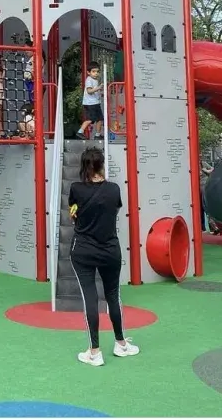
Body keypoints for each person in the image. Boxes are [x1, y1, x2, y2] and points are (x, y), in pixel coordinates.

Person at [68, 147, 139, 366]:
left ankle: (94, 351)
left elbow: (74, 213)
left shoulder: (75, 188)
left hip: (83, 250)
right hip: (110, 250)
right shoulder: (114, 189)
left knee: (90, 298)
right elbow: (113, 211)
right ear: (101, 165)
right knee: (112, 296)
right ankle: (121, 344)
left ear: (84, 166)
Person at [77, 62, 104, 140]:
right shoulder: (89, 80)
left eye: (97, 71)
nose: (96, 73)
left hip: (95, 102)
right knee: (90, 119)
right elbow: (89, 91)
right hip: (90, 103)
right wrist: (98, 88)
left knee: (100, 119)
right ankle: (80, 132)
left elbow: (95, 91)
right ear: (88, 72)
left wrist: (100, 92)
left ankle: (98, 135)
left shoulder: (95, 80)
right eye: (93, 71)